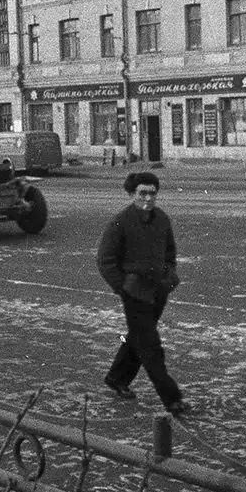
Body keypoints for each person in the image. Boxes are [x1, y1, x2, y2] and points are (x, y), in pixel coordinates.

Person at [96, 171, 190, 416]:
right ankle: (172, 399)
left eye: (152, 193)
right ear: (132, 194)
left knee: (138, 337)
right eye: (142, 193)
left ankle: (117, 378)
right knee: (150, 346)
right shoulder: (120, 222)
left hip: (158, 290)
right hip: (135, 292)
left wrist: (169, 277)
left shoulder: (162, 219)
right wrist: (123, 287)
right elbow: (105, 261)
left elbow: (170, 254)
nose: (148, 198)